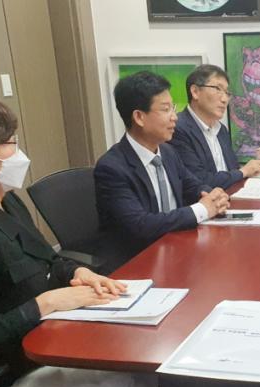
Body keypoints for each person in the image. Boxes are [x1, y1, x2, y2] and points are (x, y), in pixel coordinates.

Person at [0, 91, 150, 387]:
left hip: (28, 357)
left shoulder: (6, 200)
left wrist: (79, 272)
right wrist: (45, 303)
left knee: (128, 363)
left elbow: (47, 258)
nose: (18, 153)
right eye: (9, 144)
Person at [95, 71, 230, 271]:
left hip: (177, 249)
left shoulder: (167, 152)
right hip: (138, 263)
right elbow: (141, 225)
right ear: (139, 117)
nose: (174, 117)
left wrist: (213, 196)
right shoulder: (112, 168)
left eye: (173, 108)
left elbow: (191, 185)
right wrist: (202, 209)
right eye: (166, 109)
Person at [168, 64, 260, 189]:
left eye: (227, 93)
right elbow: (199, 181)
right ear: (195, 92)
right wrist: (244, 171)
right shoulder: (177, 129)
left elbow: (232, 170)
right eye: (218, 89)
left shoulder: (221, 129)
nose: (224, 99)